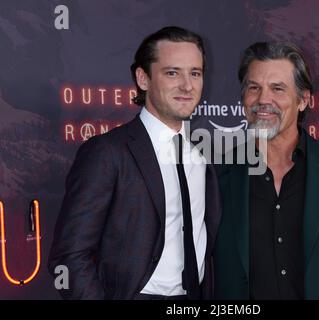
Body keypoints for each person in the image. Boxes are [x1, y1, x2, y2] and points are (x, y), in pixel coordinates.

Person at [48, 26, 221, 300]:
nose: (187, 86)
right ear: (143, 78)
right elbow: (69, 256)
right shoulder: (107, 153)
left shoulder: (203, 157)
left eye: (195, 73)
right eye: (172, 72)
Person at [213, 42, 319, 299]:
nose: (263, 100)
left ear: (303, 100)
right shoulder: (215, 175)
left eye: (278, 89)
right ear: (242, 99)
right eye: (254, 88)